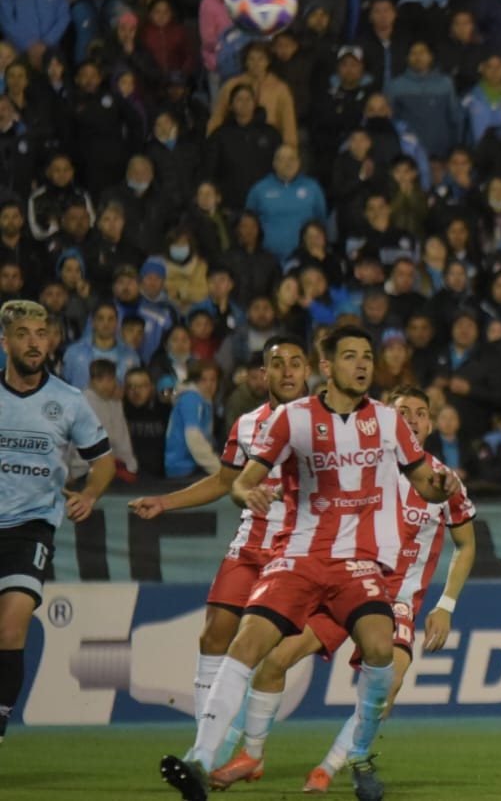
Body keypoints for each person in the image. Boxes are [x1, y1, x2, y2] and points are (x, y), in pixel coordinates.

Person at [159, 326, 459, 801]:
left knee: (381, 650)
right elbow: (242, 479)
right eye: (350, 356)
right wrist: (247, 492)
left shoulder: (388, 421)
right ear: (327, 367)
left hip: (358, 564)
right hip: (298, 555)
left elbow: (423, 479)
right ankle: (200, 758)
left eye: (367, 357)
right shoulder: (293, 419)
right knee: (249, 643)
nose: (362, 365)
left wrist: (439, 489)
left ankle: (358, 752)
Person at [208, 386, 476, 795]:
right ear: (388, 416)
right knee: (274, 661)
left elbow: (467, 543)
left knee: (388, 685)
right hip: (343, 582)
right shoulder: (363, 464)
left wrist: (446, 605)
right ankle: (248, 755)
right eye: (403, 411)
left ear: (431, 423)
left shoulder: (441, 481)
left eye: (421, 413)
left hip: (397, 600)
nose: (412, 420)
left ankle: (329, 769)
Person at [128, 336, 309, 730]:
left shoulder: (326, 422)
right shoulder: (247, 424)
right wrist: (165, 503)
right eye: (279, 364)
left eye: (296, 362)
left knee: (272, 652)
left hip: (300, 549)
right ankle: (204, 741)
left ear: (308, 371)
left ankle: (251, 745)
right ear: (264, 374)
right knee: (213, 636)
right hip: (251, 543)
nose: (288, 370)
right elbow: (225, 481)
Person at [0, 301, 114, 746]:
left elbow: (102, 462)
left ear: (50, 341)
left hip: (32, 527)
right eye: (23, 334)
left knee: (11, 627)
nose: (33, 342)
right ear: (5, 342)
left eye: (40, 334)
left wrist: (89, 494)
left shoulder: (68, 401)